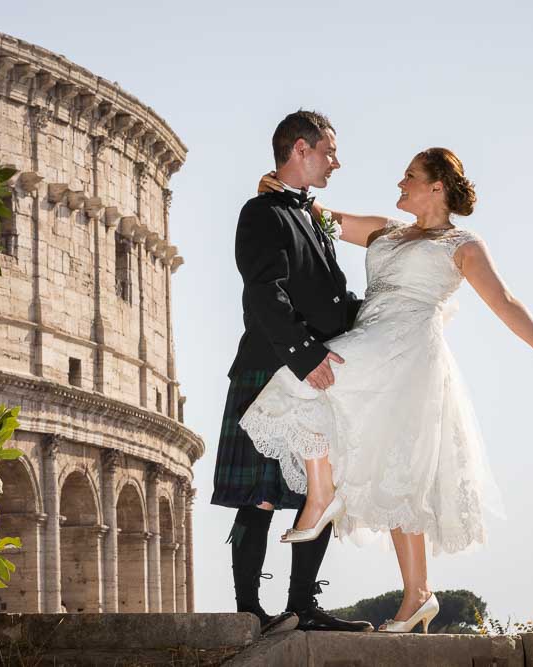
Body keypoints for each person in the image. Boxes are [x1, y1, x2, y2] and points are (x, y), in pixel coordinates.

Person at [239, 147, 533, 633]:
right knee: (395, 466)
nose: (400, 183)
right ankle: (418, 593)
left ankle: (321, 496)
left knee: (304, 390)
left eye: (410, 176)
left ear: (437, 186)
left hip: (411, 350)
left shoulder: (463, 244)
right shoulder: (384, 229)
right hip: (370, 337)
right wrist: (277, 188)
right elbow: (314, 214)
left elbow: (504, 301)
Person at [211, 110, 373, 634]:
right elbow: (265, 294)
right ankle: (249, 612)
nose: (336, 161)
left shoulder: (310, 217)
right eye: (329, 151)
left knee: (315, 491)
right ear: (300, 149)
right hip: (271, 368)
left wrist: (388, 324)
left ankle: (303, 607)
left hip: (312, 375)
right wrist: (307, 355)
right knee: (258, 495)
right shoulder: (262, 214)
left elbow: (329, 301)